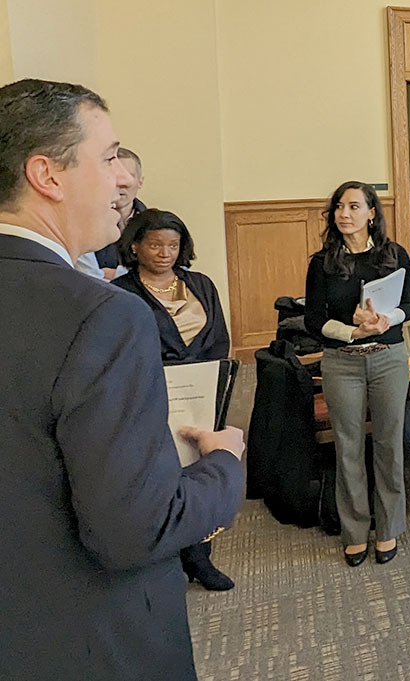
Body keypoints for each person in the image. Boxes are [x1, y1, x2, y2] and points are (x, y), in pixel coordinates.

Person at [0, 79, 244, 680]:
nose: (123, 180)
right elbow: (136, 529)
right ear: (47, 175)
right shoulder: (102, 314)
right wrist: (225, 465)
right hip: (87, 638)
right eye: (110, 158)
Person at [114, 209, 234, 590]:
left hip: (201, 389)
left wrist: (210, 382)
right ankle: (167, 559)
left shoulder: (200, 283)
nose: (165, 252)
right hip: (150, 394)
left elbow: (219, 338)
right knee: (160, 476)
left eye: (173, 244)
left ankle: (200, 558)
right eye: (155, 244)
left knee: (201, 469)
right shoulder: (122, 292)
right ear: (135, 246)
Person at [304, 181, 410, 565]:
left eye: (354, 206)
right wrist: (352, 330)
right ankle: (355, 529)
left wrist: (386, 319)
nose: (344, 213)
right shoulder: (321, 263)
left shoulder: (393, 255)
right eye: (338, 206)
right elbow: (313, 319)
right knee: (348, 446)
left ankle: (388, 529)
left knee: (389, 443)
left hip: (388, 355)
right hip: (342, 361)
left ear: (372, 213)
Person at [75, 146, 144, 280]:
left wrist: (114, 273)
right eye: (112, 176)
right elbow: (88, 277)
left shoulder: (156, 225)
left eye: (128, 175)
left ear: (140, 182)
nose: (120, 183)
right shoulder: (82, 223)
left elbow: (172, 271)